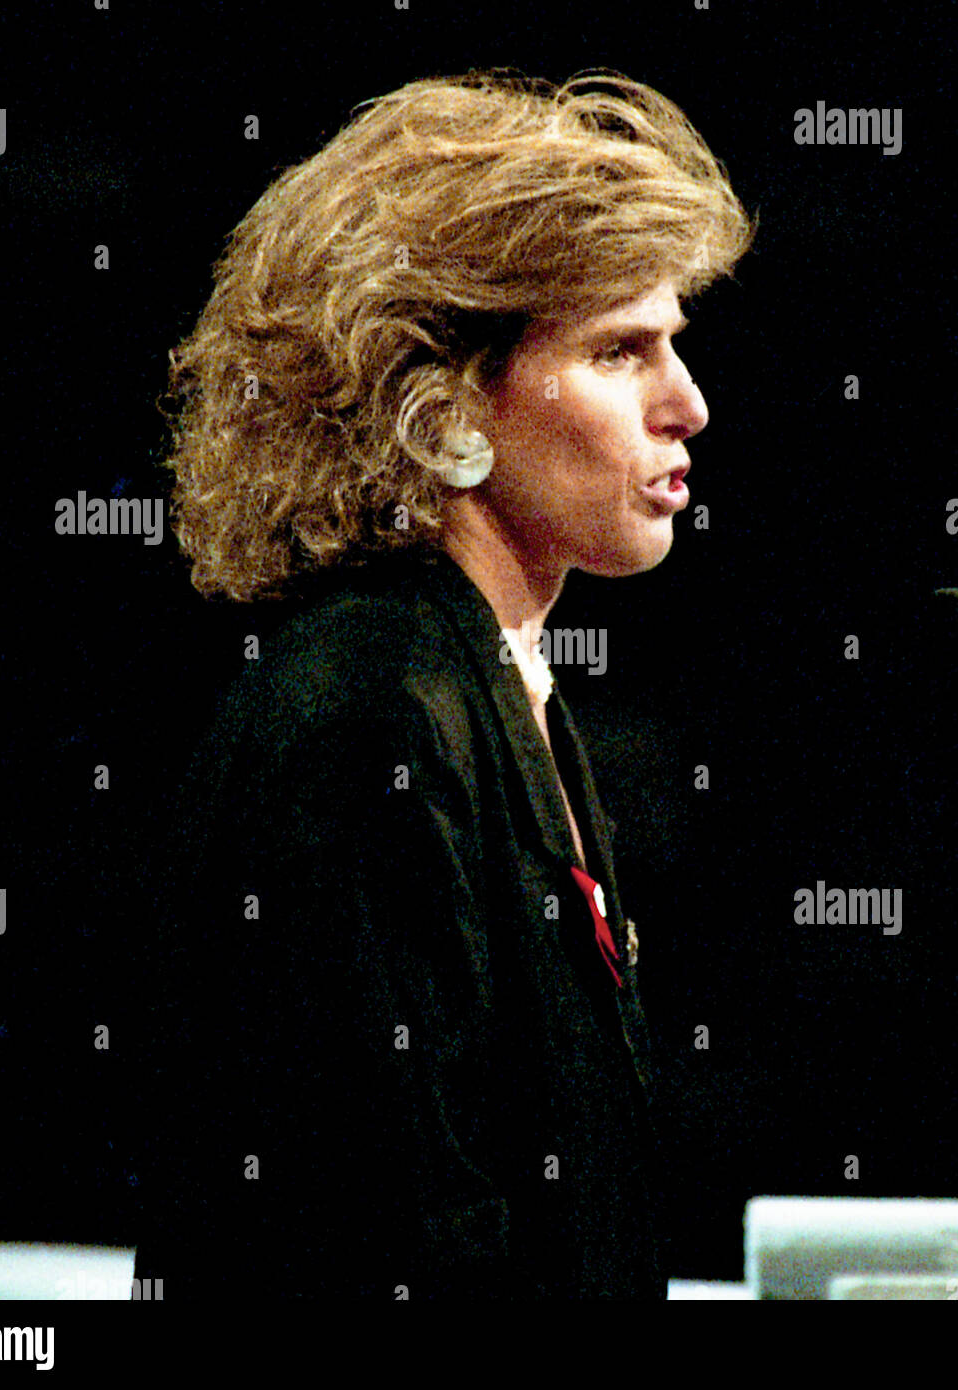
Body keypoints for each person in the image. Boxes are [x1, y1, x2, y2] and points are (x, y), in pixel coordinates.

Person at [133, 69, 752, 1300]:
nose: (688, 402)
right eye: (621, 350)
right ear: (436, 401)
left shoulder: (494, 683)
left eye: (673, 343)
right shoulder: (373, 708)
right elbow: (390, 1234)